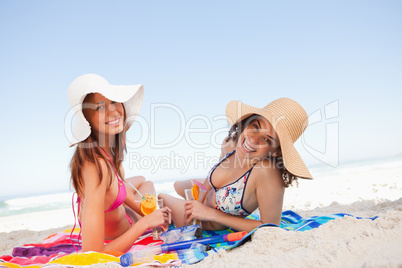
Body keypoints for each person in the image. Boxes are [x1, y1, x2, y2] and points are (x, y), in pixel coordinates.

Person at [159, 98, 313, 232]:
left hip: (205, 222)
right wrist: (199, 199)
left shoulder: (267, 173)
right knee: (177, 185)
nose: (253, 138)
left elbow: (270, 227)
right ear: (248, 122)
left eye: (267, 139)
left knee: (161, 197)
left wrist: (209, 213)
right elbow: (209, 179)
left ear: (277, 151)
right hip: (204, 195)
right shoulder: (230, 145)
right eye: (255, 126)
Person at [67, 74, 171, 253]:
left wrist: (153, 214)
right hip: (128, 228)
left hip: (127, 217)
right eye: (99, 107)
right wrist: (145, 223)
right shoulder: (95, 166)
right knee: (148, 185)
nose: (113, 111)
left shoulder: (104, 155)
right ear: (87, 120)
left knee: (146, 184)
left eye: (114, 102)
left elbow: (128, 196)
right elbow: (92, 253)